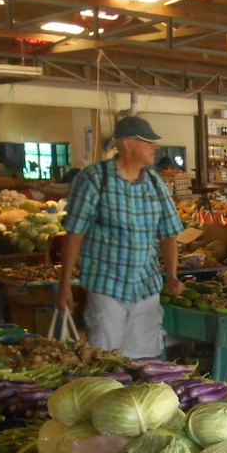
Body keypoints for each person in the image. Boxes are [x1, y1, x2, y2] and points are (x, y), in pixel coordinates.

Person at [56, 116, 184, 358]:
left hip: (146, 288)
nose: (154, 147)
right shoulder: (94, 179)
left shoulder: (155, 183)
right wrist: (64, 286)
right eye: (147, 142)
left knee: (145, 363)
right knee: (106, 362)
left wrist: (172, 275)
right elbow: (74, 235)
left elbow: (169, 233)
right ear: (127, 144)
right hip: (106, 288)